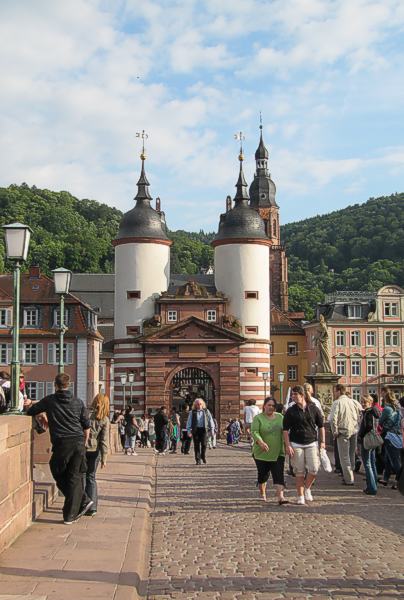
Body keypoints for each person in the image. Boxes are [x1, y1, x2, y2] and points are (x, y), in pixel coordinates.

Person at [24, 373, 93, 524]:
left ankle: (72, 512)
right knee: (74, 476)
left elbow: (31, 411)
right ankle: (80, 502)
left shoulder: (50, 401)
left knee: (56, 470)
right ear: (68, 385)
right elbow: (87, 425)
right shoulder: (78, 402)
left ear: (55, 385)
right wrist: (85, 441)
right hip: (78, 441)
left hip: (62, 442)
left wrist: (32, 405)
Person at [283, 385, 325, 505]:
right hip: (296, 443)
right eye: (292, 394)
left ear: (302, 395)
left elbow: (321, 426)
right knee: (299, 471)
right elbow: (285, 429)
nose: (293, 396)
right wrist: (288, 445)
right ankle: (300, 495)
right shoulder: (291, 411)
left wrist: (322, 442)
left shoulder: (313, 408)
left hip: (311, 442)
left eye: (295, 394)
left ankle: (307, 488)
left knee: (314, 468)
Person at [251, 397, 288, 505]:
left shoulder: (280, 417)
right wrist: (261, 442)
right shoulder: (258, 418)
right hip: (262, 453)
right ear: (264, 406)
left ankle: (281, 497)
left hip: (278, 452)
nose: (271, 407)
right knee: (263, 475)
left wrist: (287, 445)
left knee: (278, 474)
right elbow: (254, 432)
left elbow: (285, 431)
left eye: (273, 405)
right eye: (269, 405)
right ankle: (262, 493)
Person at [329, 384, 362, 486]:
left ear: (338, 391)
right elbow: (361, 414)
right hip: (354, 431)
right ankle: (350, 475)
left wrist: (334, 431)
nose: (333, 393)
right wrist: (357, 426)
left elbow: (333, 419)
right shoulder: (354, 402)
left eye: (334, 391)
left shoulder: (337, 403)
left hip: (343, 432)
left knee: (344, 456)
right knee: (352, 454)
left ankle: (348, 479)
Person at [85, 392, 110, 515]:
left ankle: (82, 503)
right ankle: (92, 507)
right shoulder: (104, 419)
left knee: (80, 477)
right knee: (91, 478)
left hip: (83, 449)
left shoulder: (86, 414)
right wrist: (104, 458)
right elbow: (104, 440)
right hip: (95, 451)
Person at [357, 395, 381, 496]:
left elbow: (367, 426)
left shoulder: (368, 412)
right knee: (372, 463)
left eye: (365, 402)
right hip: (373, 439)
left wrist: (360, 435)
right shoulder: (376, 412)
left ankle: (372, 487)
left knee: (367, 464)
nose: (363, 403)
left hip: (367, 440)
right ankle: (373, 484)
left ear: (370, 402)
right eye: (362, 401)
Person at [378, 391, 402, 489]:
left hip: (390, 435)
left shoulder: (387, 409)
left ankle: (400, 481)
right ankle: (385, 478)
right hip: (398, 435)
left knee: (394, 461)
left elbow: (380, 421)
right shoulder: (398, 409)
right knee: (388, 458)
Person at [186, 398, 215, 465]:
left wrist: (212, 429)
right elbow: (189, 422)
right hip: (195, 430)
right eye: (197, 404)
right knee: (196, 445)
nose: (199, 405)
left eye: (200, 404)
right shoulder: (192, 412)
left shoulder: (206, 411)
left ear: (202, 404)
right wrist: (188, 431)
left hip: (204, 429)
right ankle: (198, 460)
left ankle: (203, 455)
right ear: (195, 405)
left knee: (204, 444)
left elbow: (210, 420)